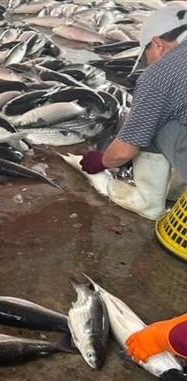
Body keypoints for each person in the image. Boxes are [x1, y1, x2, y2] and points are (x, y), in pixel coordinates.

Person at [80, 3, 187, 219]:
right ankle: (178, 185)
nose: (148, 64)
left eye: (146, 55)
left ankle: (148, 203)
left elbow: (124, 150)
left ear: (157, 44)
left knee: (152, 125)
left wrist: (101, 161)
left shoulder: (160, 74)